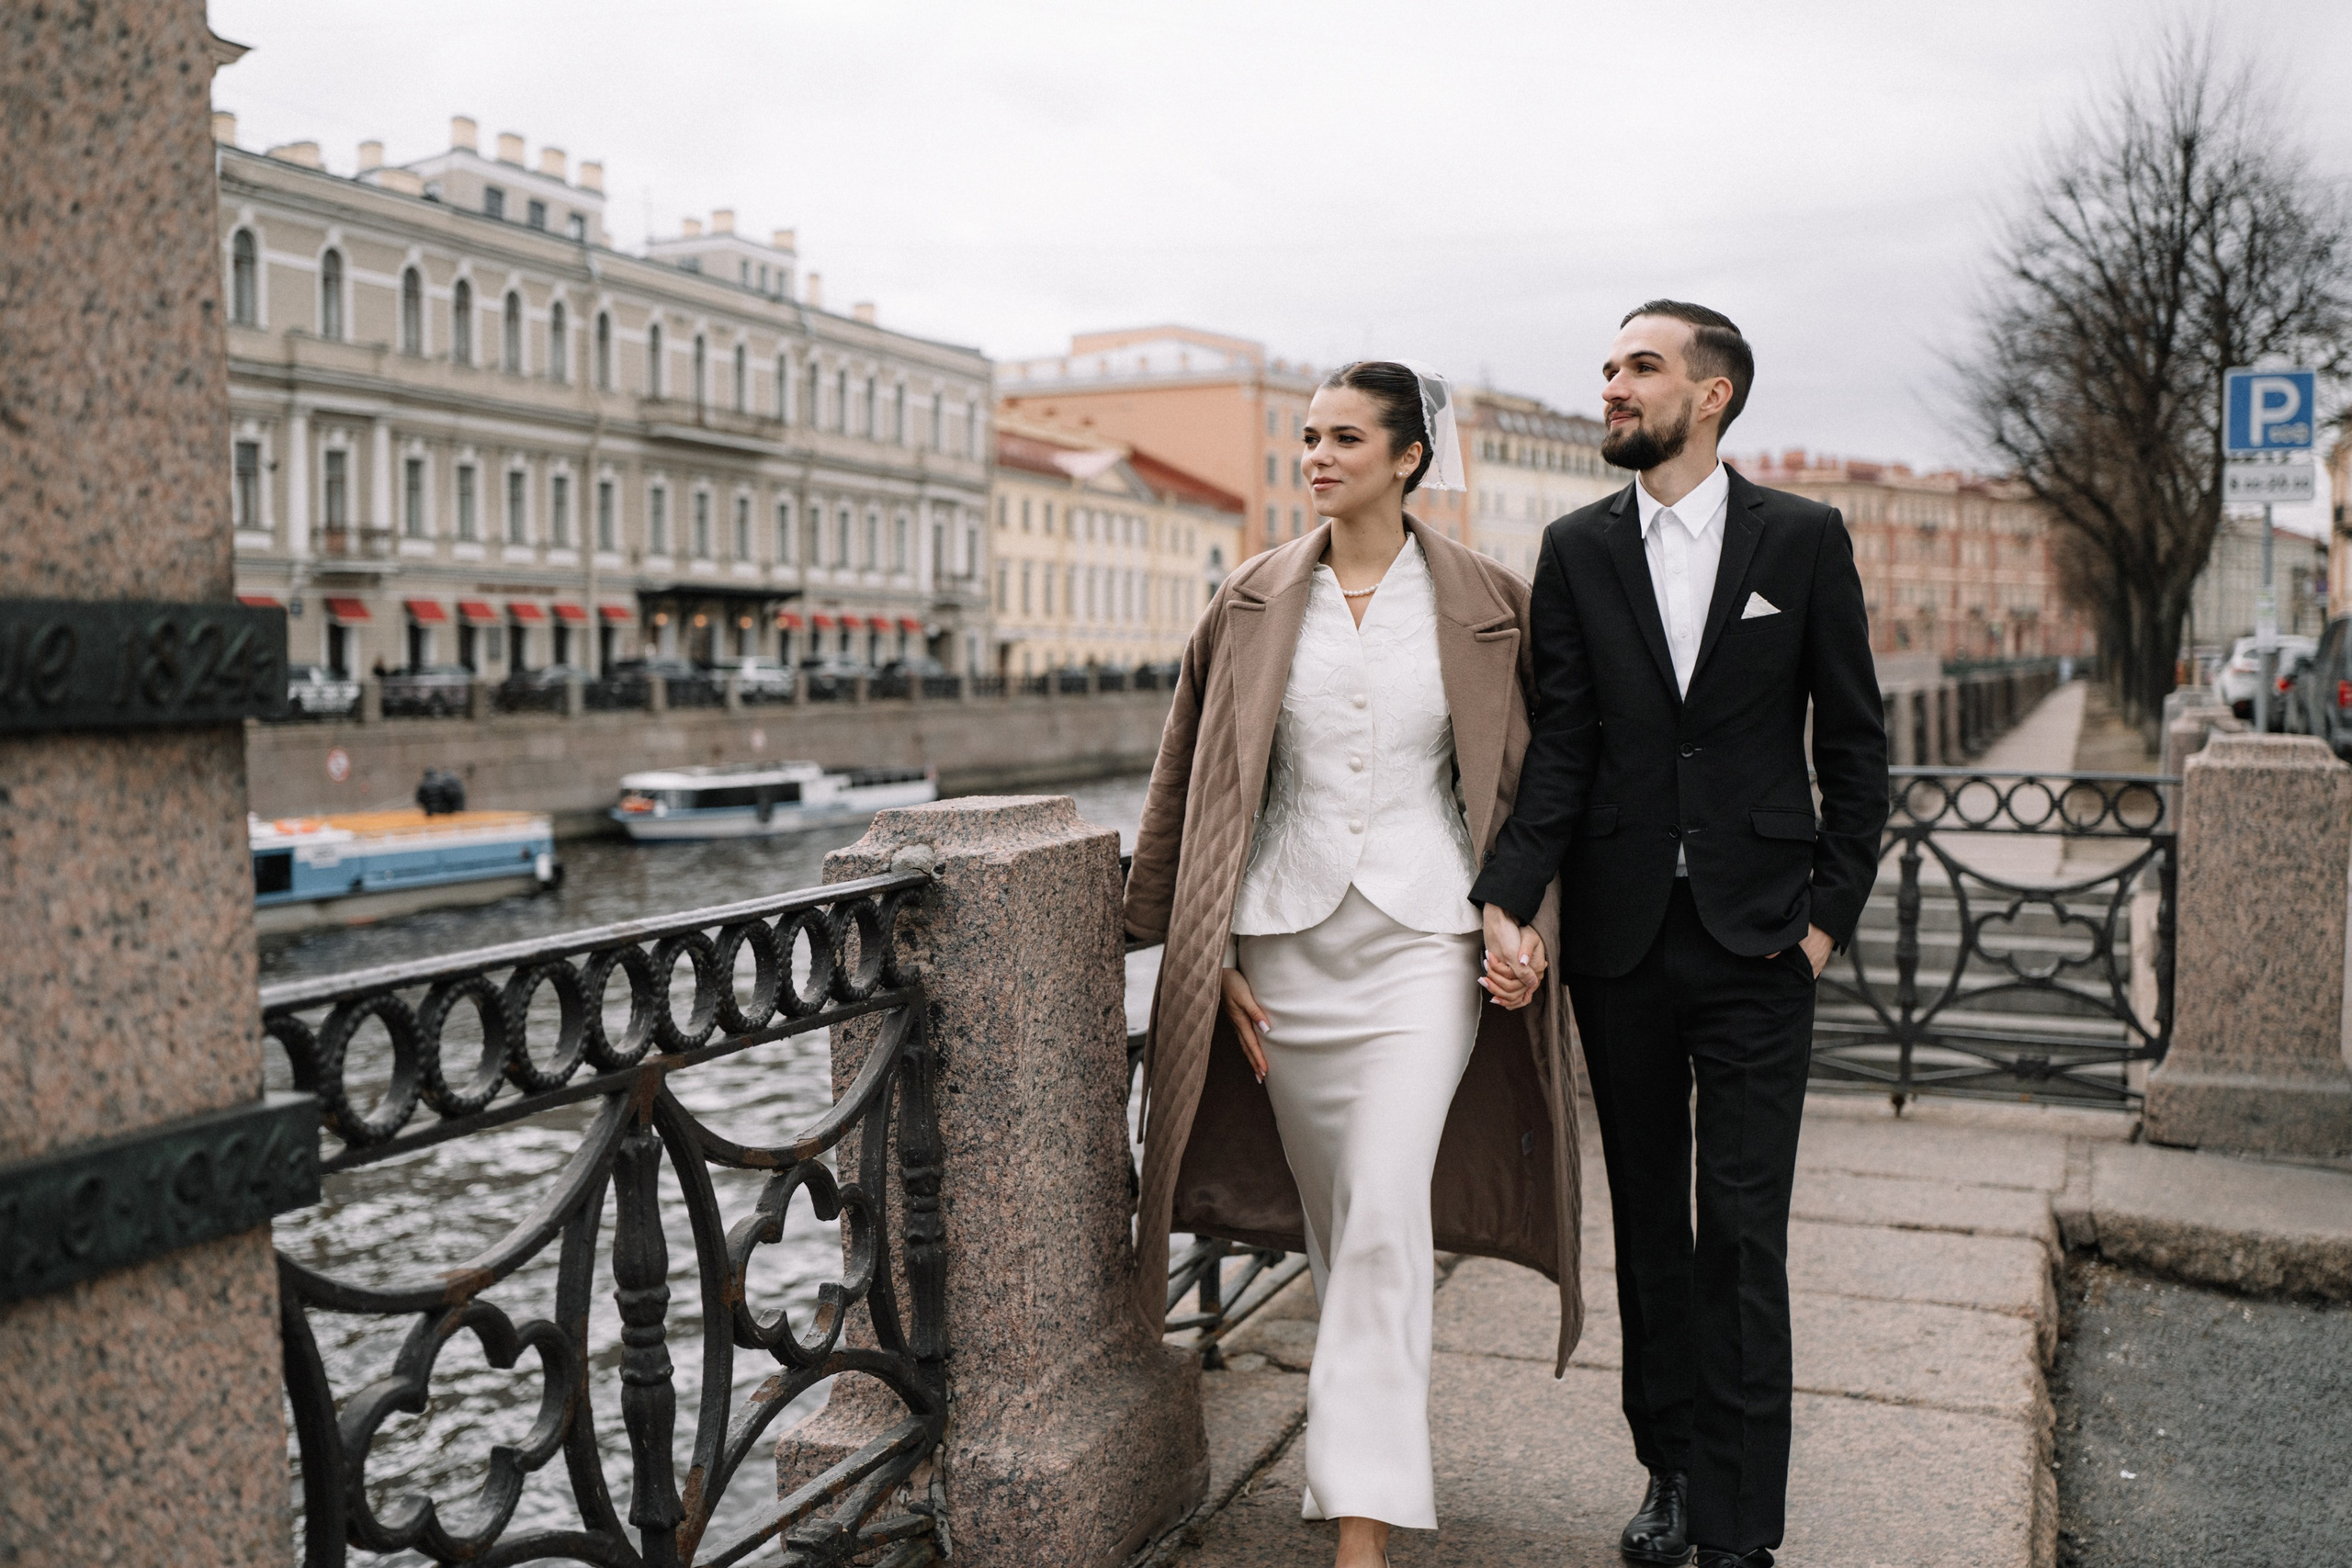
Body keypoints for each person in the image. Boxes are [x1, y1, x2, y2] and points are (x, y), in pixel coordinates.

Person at [1123, 361, 1582, 1568]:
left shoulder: (1488, 600)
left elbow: (1523, 788)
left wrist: (1514, 917)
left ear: (1408, 457)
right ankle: (1354, 1461)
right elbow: (1196, 784)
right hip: (1283, 951)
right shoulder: (1249, 599)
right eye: (1310, 437)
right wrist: (1198, 950)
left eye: (1344, 439)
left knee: (1383, 1216)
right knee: (1341, 1221)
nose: (1317, 457)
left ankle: (1362, 1529)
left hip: (1427, 946)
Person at [1472, 302, 1889, 1568]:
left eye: (1638, 367)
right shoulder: (1577, 549)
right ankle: (1669, 1469)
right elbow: (1564, 756)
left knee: (1742, 1236)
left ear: (1711, 395)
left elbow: (1858, 751)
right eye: (1607, 367)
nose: (1612, 386)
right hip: (1623, 942)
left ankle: (1739, 1531)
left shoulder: (1803, 540)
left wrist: (1822, 928)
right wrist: (1507, 893)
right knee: (1652, 1227)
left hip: (1763, 944)